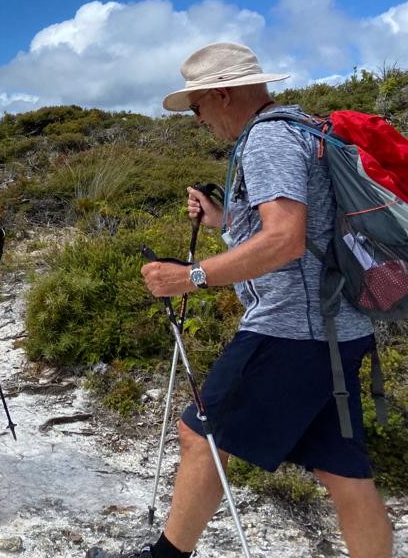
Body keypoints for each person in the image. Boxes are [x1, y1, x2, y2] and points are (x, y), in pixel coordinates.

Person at [87, 42, 393, 558]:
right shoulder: (305, 128)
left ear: (223, 94)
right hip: (339, 326)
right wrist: (225, 221)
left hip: (290, 331)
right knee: (341, 470)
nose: (199, 120)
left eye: (198, 108)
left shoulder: (267, 140)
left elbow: (285, 240)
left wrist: (192, 277)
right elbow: (303, 232)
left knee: (200, 434)